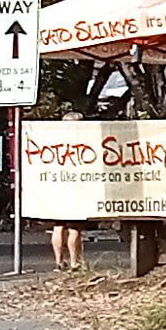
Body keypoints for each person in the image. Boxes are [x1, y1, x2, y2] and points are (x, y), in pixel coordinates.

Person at [49, 113, 91, 270]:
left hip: (57, 186)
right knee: (74, 228)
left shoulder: (54, 140)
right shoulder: (83, 141)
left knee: (58, 226)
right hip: (76, 188)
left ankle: (59, 261)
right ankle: (75, 262)